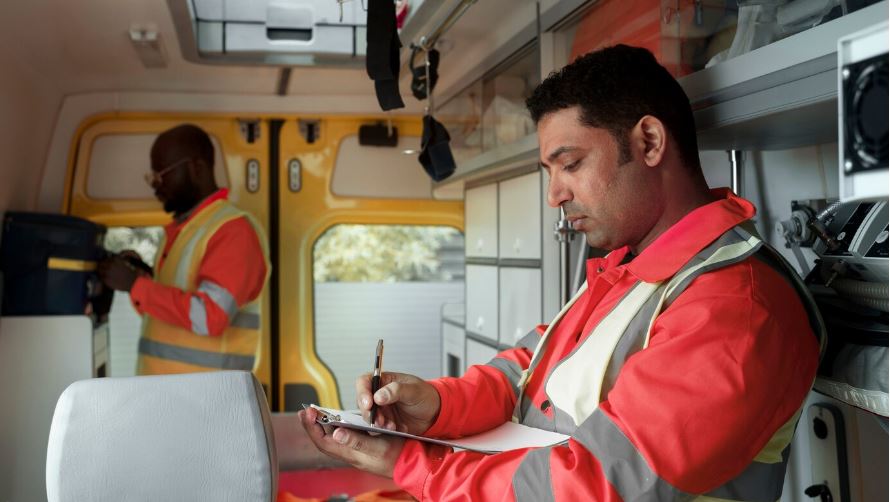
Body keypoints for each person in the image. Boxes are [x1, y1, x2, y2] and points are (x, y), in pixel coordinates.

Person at [300, 45, 827, 500]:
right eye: (550, 173)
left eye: (570, 164)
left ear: (648, 142)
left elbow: (593, 487)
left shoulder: (734, 308)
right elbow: (527, 374)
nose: (555, 195)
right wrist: (435, 406)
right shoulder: (628, 268)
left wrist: (409, 464)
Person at [99, 124, 270, 375]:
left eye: (161, 174)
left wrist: (136, 285)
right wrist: (142, 279)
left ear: (195, 169)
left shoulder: (232, 230)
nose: (155, 185)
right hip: (174, 398)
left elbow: (208, 318)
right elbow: (169, 319)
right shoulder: (183, 231)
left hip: (207, 401)